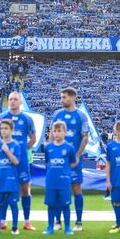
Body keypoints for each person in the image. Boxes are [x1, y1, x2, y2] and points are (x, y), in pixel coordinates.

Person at [0, 92, 36, 231]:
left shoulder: (27, 119)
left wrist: (23, 150)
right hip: (5, 162)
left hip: (22, 160)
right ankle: (2, 221)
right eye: (10, 99)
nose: (12, 101)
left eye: (15, 99)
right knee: (5, 189)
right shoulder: (1, 117)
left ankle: (27, 221)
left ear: (20, 102)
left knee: (25, 189)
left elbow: (33, 139)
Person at [51, 87, 88, 231]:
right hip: (58, 160)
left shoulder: (81, 116)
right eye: (61, 97)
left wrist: (77, 156)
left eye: (64, 97)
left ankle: (78, 222)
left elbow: (85, 137)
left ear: (73, 98)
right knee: (59, 189)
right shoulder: (57, 114)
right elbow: (52, 136)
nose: (62, 100)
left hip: (73, 160)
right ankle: (58, 221)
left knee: (76, 187)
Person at [43, 121, 77, 236]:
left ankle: (67, 227)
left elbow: (73, 162)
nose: (57, 133)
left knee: (65, 204)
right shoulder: (48, 147)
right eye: (55, 131)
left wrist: (65, 172)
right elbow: (47, 162)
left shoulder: (69, 148)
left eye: (59, 131)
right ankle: (50, 227)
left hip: (64, 181)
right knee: (51, 204)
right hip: (51, 180)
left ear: (65, 132)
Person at [0, 119, 22, 235]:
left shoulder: (15, 146)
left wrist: (7, 151)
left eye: (6, 128)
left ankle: (14, 227)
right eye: (2, 128)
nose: (3, 131)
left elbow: (16, 162)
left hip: (12, 181)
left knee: (13, 204)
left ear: (12, 130)